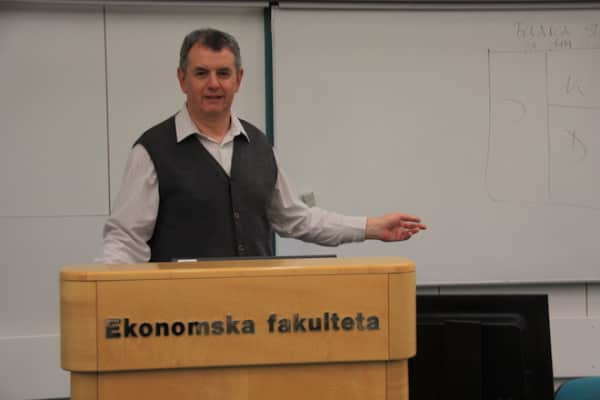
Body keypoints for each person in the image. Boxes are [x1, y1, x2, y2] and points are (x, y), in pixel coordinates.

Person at [97, 28, 426, 264]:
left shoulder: (260, 146)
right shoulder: (152, 150)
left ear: (238, 79)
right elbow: (125, 240)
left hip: (254, 315)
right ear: (183, 80)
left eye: (223, 73)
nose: (213, 84)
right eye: (201, 73)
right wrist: (99, 298)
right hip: (181, 319)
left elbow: (296, 218)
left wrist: (372, 227)